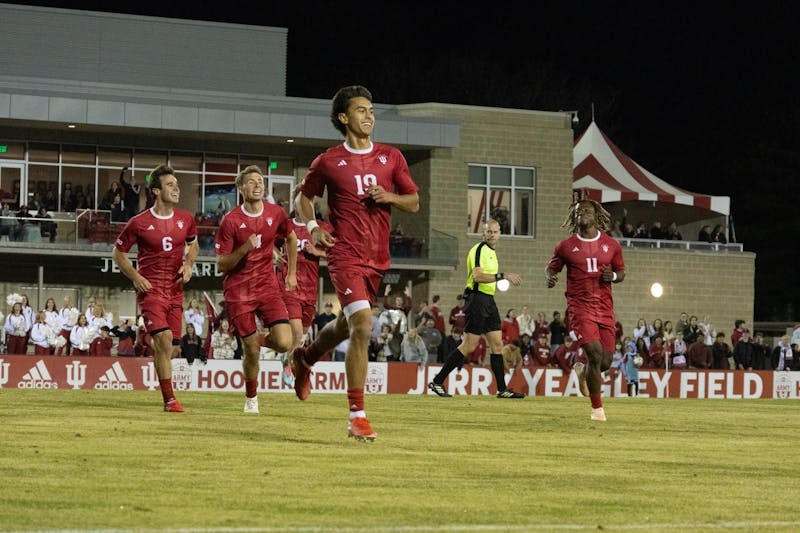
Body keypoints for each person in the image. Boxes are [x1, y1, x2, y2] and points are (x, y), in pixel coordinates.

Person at [289, 85, 420, 441]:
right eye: (361, 110)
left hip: (377, 258)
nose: (369, 116)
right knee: (363, 324)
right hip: (344, 253)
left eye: (372, 110)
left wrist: (389, 195)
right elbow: (305, 198)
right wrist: (314, 227)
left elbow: (413, 202)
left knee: (348, 325)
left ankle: (306, 356)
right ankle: (357, 415)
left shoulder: (391, 157)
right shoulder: (328, 160)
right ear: (344, 118)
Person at [113, 164, 199, 412]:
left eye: (177, 184)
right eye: (171, 185)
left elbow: (193, 245)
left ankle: (159, 361)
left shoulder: (186, 219)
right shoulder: (139, 222)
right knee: (163, 339)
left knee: (170, 348)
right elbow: (118, 253)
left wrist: (189, 263)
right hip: (150, 291)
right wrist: (134, 276)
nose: (177, 189)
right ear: (156, 191)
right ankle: (170, 400)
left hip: (175, 292)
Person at [215, 165, 296, 414]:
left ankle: (253, 339)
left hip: (267, 287)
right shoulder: (231, 221)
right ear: (241, 189)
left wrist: (291, 272)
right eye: (251, 182)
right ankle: (251, 398)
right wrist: (244, 249)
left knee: (284, 342)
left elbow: (291, 238)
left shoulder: (276, 213)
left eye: (260, 181)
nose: (258, 185)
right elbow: (221, 264)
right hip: (238, 291)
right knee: (250, 351)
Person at [546, 199, 626, 421]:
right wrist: (550, 277)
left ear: (596, 216)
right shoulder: (565, 246)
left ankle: (582, 372)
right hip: (579, 308)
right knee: (594, 353)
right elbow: (551, 268)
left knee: (605, 362)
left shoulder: (612, 245)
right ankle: (597, 409)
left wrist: (614, 277)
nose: (583, 213)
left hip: (605, 308)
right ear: (574, 216)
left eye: (587, 210)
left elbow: (621, 272)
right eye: (579, 211)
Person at [428, 219, 524, 399]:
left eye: (495, 232)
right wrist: (504, 275)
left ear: (499, 233)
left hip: (488, 300)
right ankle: (438, 381)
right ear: (483, 233)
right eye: (489, 232)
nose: (492, 235)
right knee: (469, 345)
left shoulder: (492, 253)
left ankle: (502, 390)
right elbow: (478, 277)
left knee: (497, 344)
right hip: (477, 299)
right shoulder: (479, 249)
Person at [278, 207, 332, 351]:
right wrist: (276, 254)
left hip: (310, 289)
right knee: (296, 332)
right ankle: (289, 370)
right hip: (290, 286)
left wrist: (317, 252)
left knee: (301, 338)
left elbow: (340, 253)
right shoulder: (284, 225)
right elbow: (268, 241)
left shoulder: (321, 228)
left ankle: (289, 363)